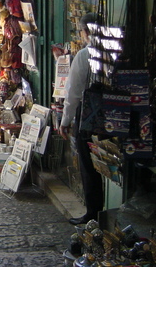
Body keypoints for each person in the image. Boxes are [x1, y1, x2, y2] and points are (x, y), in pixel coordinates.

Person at [59, 13, 104, 225]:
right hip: (111, 115)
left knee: (89, 168)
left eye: (81, 30)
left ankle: (93, 214)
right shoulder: (112, 53)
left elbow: (73, 93)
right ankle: (98, 213)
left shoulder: (84, 55)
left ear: (86, 32)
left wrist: (65, 120)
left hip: (87, 117)